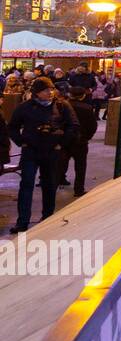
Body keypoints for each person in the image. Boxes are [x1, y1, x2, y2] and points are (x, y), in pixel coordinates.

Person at [8, 77, 79, 233]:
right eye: (46, 90)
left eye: (51, 89)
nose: (50, 92)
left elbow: (73, 126)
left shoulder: (62, 106)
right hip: (30, 152)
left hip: (52, 151)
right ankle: (22, 222)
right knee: (26, 185)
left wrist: (62, 144)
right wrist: (21, 142)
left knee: (49, 185)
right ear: (37, 92)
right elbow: (12, 127)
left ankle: (47, 217)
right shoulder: (25, 107)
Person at [63, 87, 98, 196]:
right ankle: (79, 189)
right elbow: (92, 126)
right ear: (83, 96)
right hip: (80, 141)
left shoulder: (62, 106)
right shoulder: (87, 108)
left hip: (65, 141)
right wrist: (87, 137)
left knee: (61, 164)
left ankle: (59, 181)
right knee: (80, 166)